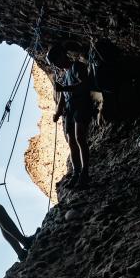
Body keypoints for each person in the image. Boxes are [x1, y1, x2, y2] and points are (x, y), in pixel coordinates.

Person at [47, 43, 93, 188]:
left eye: (56, 61)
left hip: (81, 104)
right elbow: (62, 97)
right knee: (72, 141)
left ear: (62, 55)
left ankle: (85, 173)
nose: (57, 65)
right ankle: (76, 173)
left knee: (80, 137)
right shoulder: (65, 75)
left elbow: (84, 84)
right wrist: (58, 112)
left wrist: (65, 88)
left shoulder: (77, 67)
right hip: (70, 110)